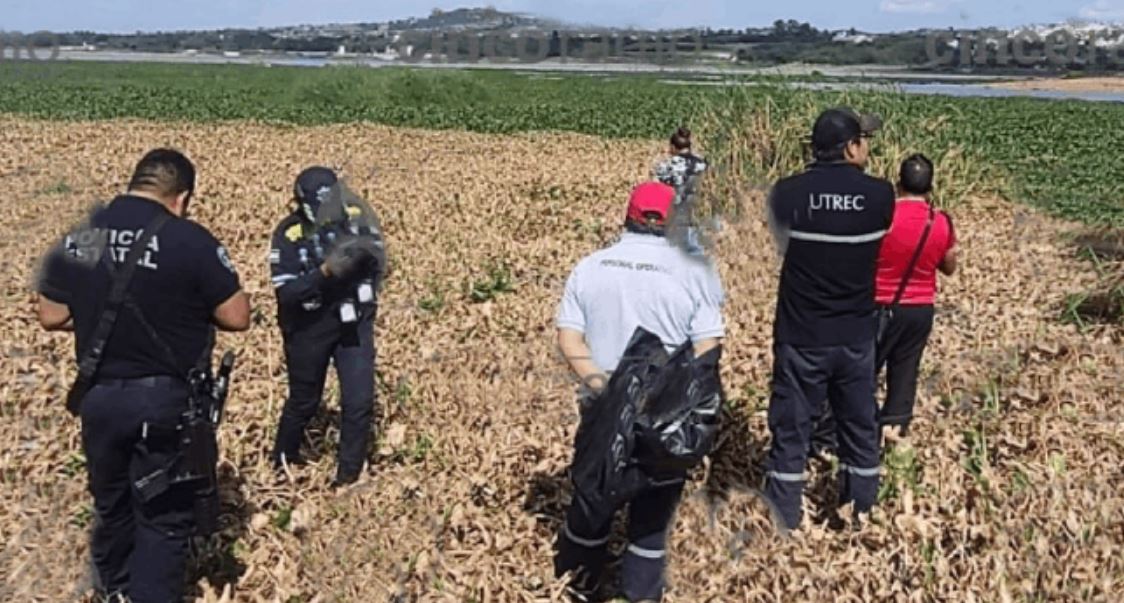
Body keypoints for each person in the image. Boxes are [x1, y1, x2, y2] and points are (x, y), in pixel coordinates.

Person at [34, 149, 251, 602]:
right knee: (163, 520)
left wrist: (97, 316)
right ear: (181, 197)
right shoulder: (191, 240)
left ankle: (113, 590)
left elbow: (51, 315)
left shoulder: (82, 234)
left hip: (100, 400)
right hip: (164, 403)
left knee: (112, 508)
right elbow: (236, 316)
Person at [553, 181, 726, 602]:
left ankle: (578, 584)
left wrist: (605, 388)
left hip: (601, 404)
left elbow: (569, 340)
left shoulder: (590, 266)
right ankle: (639, 594)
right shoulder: (695, 271)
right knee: (651, 519)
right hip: (661, 412)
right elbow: (708, 347)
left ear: (627, 216)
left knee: (594, 499)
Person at [761, 107, 895, 532]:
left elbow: (781, 241)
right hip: (856, 336)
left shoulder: (786, 192)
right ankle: (860, 516)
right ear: (852, 147)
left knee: (791, 432)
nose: (868, 146)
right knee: (858, 427)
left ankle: (785, 520)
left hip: (801, 336)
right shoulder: (881, 196)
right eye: (865, 140)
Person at [269, 166, 385, 488]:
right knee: (304, 401)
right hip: (308, 327)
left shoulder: (355, 220)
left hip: (352, 322)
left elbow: (376, 261)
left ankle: (347, 479)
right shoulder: (288, 234)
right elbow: (287, 293)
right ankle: (280, 464)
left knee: (359, 401)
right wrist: (324, 272)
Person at [653, 126, 710, 255]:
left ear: (673, 147)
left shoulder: (666, 167)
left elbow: (658, 192)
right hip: (698, 219)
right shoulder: (703, 165)